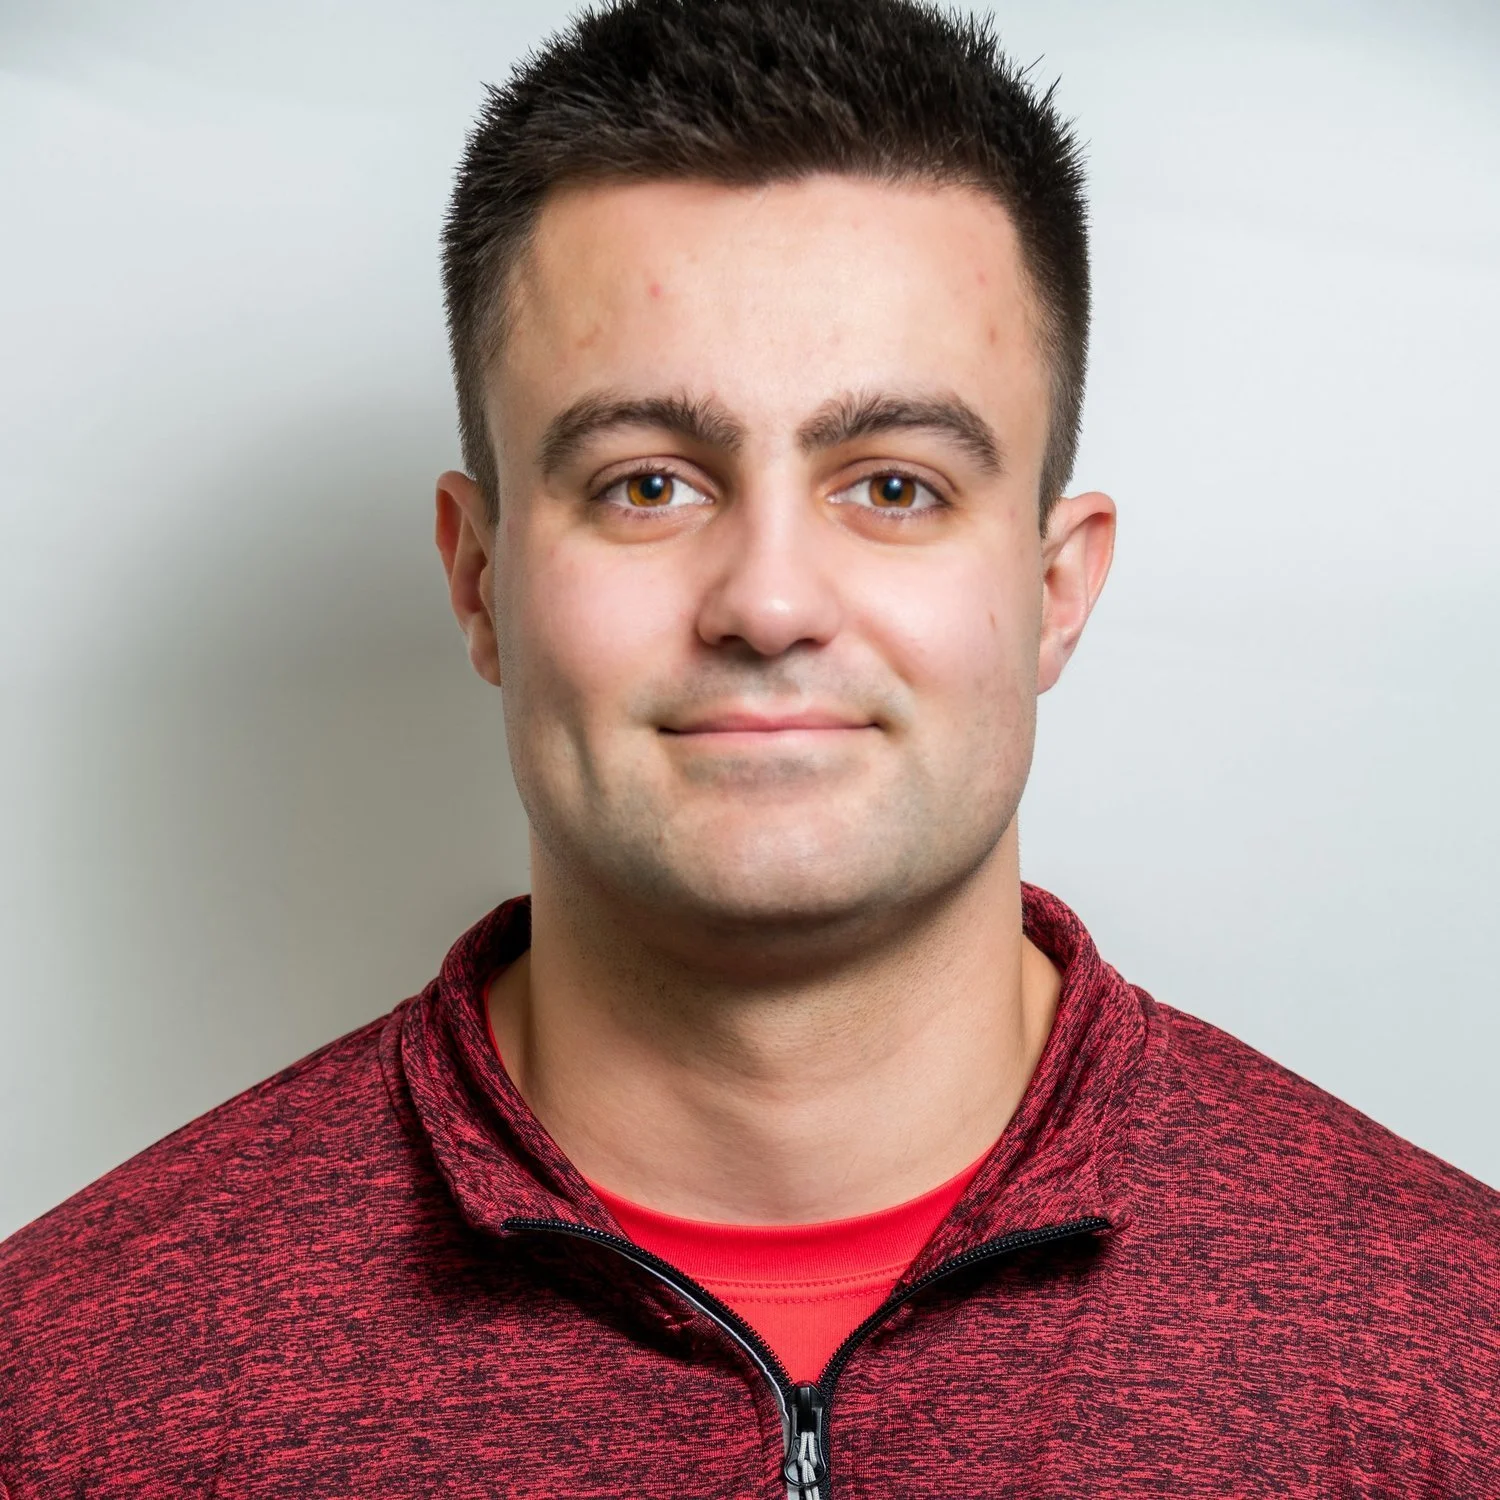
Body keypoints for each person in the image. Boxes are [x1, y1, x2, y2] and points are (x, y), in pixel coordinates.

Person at [2, 0, 1496, 1493]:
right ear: (480, 580)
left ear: (1055, 592)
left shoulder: (1458, 1362)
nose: (770, 602)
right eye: (648, 483)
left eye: (894, 486)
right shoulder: (60, 1393)